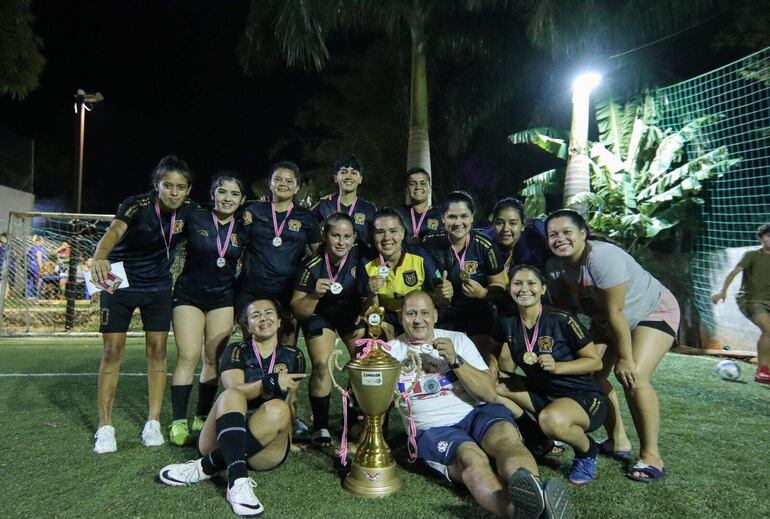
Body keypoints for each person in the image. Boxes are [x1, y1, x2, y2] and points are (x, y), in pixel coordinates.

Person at [386, 291, 572, 519]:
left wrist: (455, 360)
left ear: (435, 315)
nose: (418, 320)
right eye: (411, 313)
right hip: (434, 428)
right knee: (471, 458)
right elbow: (374, 402)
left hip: (476, 412)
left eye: (424, 313)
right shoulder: (389, 353)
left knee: (505, 437)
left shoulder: (457, 340)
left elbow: (487, 391)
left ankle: (531, 491)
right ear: (399, 316)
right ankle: (525, 512)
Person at [545, 209, 680, 483]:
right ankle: (618, 439)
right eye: (553, 234)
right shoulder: (554, 267)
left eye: (566, 232)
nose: (560, 239)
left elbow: (617, 312)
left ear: (582, 233)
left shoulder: (602, 257)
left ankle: (652, 455)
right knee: (589, 376)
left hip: (650, 313)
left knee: (634, 377)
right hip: (608, 322)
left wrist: (625, 358)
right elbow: (565, 312)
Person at [159, 299, 306, 517]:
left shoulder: (294, 355)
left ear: (279, 322)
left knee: (279, 408)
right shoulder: (236, 350)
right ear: (247, 326)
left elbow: (290, 405)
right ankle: (238, 481)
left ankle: (205, 466)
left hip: (263, 447)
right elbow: (234, 390)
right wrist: (268, 383)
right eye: (255, 315)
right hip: (224, 430)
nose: (263, 318)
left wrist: (288, 438)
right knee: (232, 393)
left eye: (268, 313)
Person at [90, 155, 197, 454]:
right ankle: (105, 426)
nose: (174, 192)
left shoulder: (190, 212)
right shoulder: (135, 205)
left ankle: (152, 422)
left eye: (181, 187)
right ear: (156, 185)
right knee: (112, 351)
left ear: (188, 190)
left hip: (159, 288)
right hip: (119, 283)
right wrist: (100, 256)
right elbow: (113, 232)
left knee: (158, 351)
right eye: (168, 186)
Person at [491, 265, 607, 484]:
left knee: (551, 420)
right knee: (491, 387)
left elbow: (595, 362)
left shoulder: (562, 320)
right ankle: (539, 440)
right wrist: (491, 362)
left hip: (581, 397)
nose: (524, 289)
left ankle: (587, 451)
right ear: (509, 288)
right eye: (517, 283)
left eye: (531, 283)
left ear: (543, 288)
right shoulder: (506, 320)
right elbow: (492, 348)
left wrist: (559, 367)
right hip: (542, 392)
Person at [168, 173, 247, 446]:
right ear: (212, 193)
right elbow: (166, 241)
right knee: (188, 355)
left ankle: (202, 416)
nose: (227, 198)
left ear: (242, 199)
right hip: (189, 295)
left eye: (234, 194)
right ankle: (178, 420)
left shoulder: (243, 227)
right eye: (222, 192)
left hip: (223, 298)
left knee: (213, 358)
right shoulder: (194, 215)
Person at [291, 212, 366, 445]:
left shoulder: (361, 256)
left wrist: (365, 314)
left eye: (347, 236)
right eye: (336, 235)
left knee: (361, 361)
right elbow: (297, 309)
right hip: (319, 316)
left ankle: (352, 419)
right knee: (322, 364)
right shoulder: (311, 265)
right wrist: (314, 294)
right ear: (325, 235)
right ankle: (320, 426)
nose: (341, 242)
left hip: (350, 317)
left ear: (354, 238)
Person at [236, 161, 321, 346]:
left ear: (297, 187)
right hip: (252, 290)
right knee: (252, 346)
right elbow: (238, 244)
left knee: (286, 347)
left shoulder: (306, 217)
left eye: (289, 181)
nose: (283, 183)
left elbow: (318, 254)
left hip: (287, 292)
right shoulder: (254, 211)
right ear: (270, 183)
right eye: (278, 179)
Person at [422, 191, 506, 351]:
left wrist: (483, 293)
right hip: (444, 313)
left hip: (478, 312)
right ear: (443, 218)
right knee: (442, 364)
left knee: (480, 361)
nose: (458, 222)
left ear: (472, 217)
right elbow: (421, 285)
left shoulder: (485, 246)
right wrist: (437, 295)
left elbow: (500, 286)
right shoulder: (430, 242)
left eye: (464, 216)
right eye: (452, 216)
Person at [360, 207, 442, 339]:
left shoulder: (420, 257)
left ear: (403, 233)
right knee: (376, 333)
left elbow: (439, 298)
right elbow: (369, 312)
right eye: (380, 232)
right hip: (389, 318)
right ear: (372, 235)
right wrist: (372, 293)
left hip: (418, 316)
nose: (387, 238)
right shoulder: (366, 263)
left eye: (393, 231)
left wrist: (444, 292)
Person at [712, 223, 770, 385]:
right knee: (769, 330)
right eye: (769, 236)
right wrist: (722, 292)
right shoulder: (752, 255)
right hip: (750, 299)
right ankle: (762, 371)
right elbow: (734, 272)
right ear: (761, 238)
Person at [313, 154, 377, 258]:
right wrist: (317, 249)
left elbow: (374, 239)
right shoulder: (325, 204)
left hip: (358, 264)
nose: (348, 177)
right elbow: (306, 224)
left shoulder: (368, 208)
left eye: (353, 173)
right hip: (331, 264)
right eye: (343, 172)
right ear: (335, 178)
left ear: (360, 179)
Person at [491, 197, 550, 277]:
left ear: (523, 225)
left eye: (512, 223)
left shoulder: (533, 245)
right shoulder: (484, 243)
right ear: (493, 224)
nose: (505, 229)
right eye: (499, 223)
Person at [395, 167, 443, 245]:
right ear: (406, 190)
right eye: (412, 184)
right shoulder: (398, 214)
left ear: (429, 188)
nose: (418, 187)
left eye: (423, 183)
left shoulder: (441, 215)